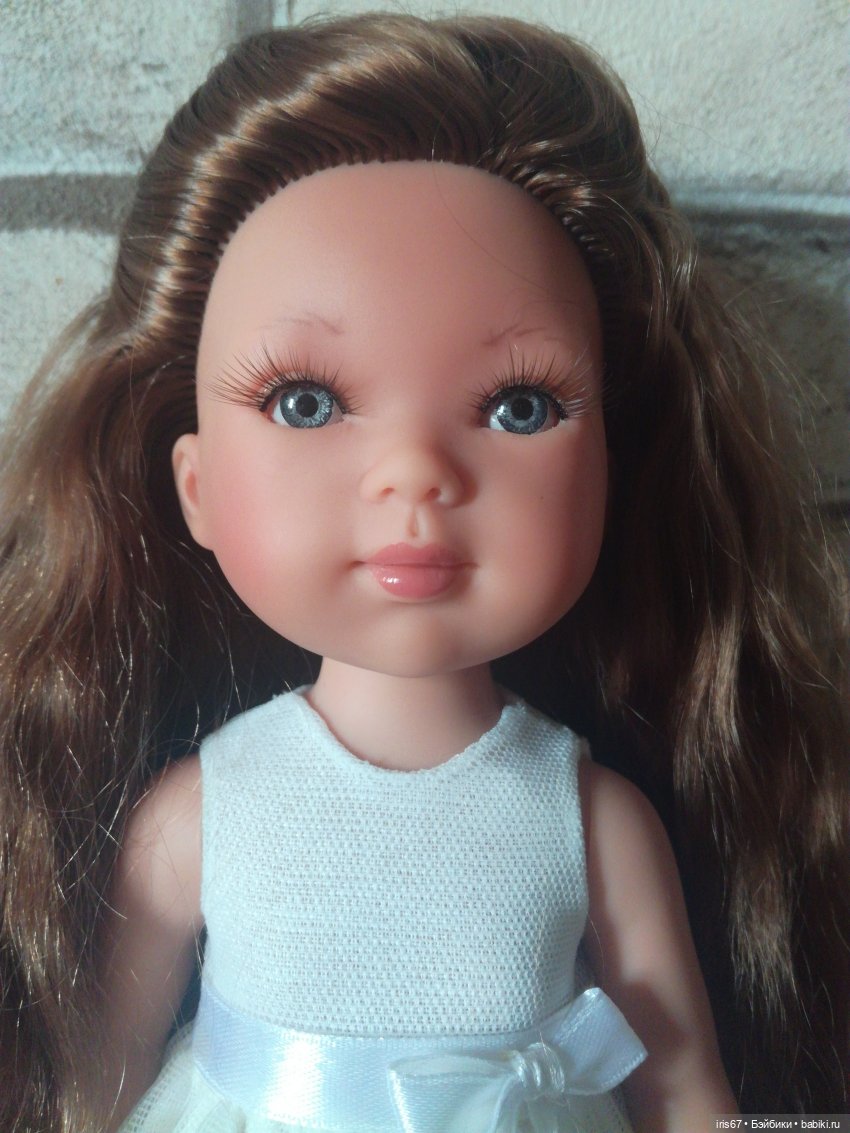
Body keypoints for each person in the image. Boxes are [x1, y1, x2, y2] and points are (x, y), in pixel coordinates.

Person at [0, 14, 846, 1133]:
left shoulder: (590, 819)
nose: (415, 474)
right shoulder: (200, 813)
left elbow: (685, 1091)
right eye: (306, 401)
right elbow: (95, 1078)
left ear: (608, 472)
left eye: (520, 406)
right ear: (195, 487)